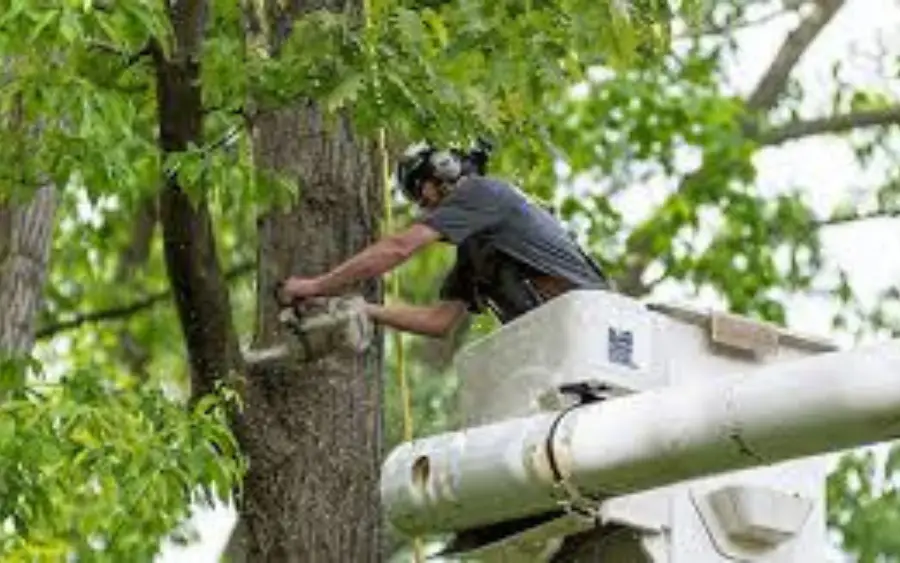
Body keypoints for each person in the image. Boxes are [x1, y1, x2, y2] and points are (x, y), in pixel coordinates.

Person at [279, 141, 609, 337]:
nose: (423, 206)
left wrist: (315, 286)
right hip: (559, 337)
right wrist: (364, 309)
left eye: (420, 192)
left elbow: (399, 247)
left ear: (444, 173)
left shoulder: (482, 191)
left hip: (594, 321)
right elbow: (439, 322)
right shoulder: (476, 253)